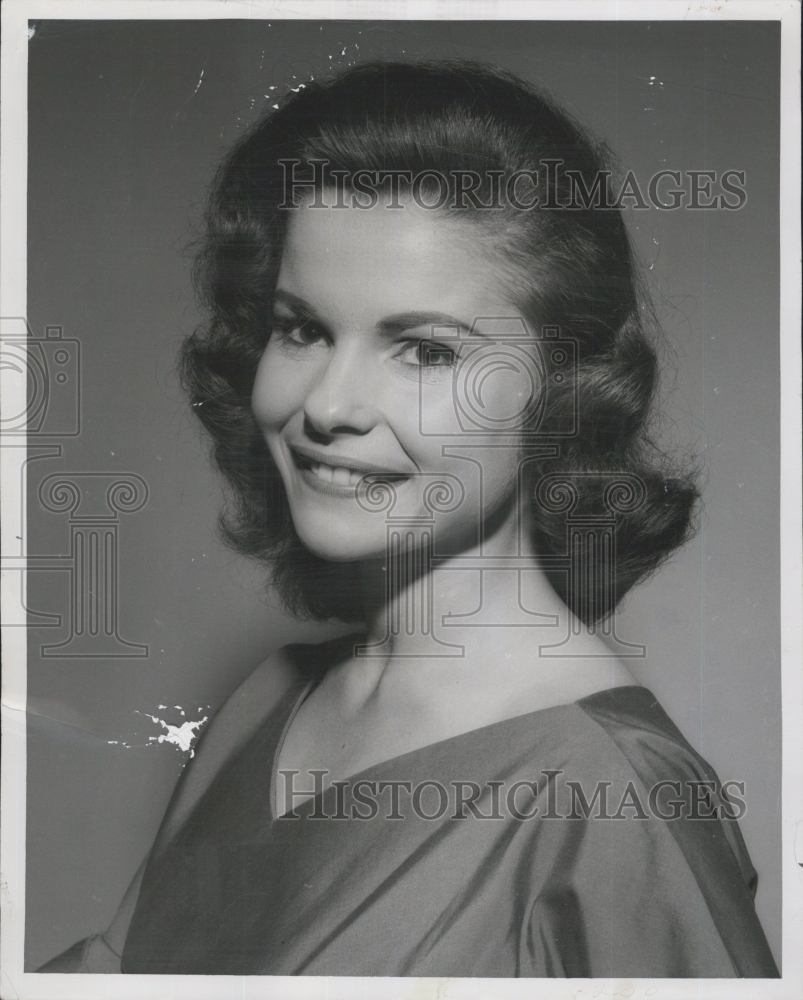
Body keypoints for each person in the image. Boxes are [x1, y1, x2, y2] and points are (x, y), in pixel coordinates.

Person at [41, 60, 779, 978]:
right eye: (302, 329)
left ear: (564, 393)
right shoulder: (266, 700)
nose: (329, 405)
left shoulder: (612, 794)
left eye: (425, 351)